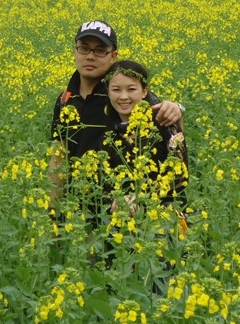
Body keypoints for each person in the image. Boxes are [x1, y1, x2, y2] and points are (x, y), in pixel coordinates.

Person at [48, 20, 184, 211]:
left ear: (113, 56)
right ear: (75, 51)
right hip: (78, 210)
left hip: (124, 209)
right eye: (84, 49)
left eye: (100, 50)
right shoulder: (65, 99)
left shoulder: (122, 95)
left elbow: (168, 133)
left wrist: (176, 108)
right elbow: (58, 158)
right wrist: (53, 212)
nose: (90, 56)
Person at [103, 60, 188, 213]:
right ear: (108, 92)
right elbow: (104, 185)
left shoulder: (164, 122)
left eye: (131, 89)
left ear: (144, 91)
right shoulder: (107, 132)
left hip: (166, 216)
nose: (123, 97)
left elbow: (180, 178)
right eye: (116, 89)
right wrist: (117, 200)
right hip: (123, 219)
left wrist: (141, 199)